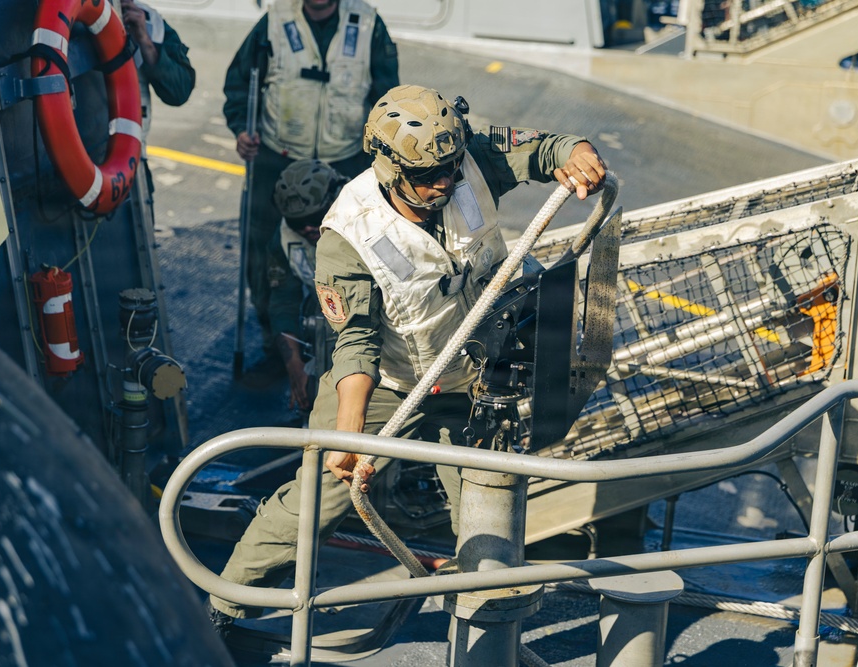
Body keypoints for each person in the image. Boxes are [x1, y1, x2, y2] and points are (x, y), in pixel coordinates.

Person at [207, 84, 607, 628]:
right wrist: (349, 437)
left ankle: (485, 635)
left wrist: (575, 152)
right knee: (310, 510)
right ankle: (222, 606)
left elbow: (543, 149)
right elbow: (355, 343)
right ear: (389, 168)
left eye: (449, 169)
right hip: (386, 388)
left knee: (486, 509)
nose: (444, 183)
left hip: (469, 380)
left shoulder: (465, 160)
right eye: (427, 177)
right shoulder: (348, 235)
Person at [222, 0, 399, 374]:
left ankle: (349, 345)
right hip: (277, 158)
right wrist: (242, 129)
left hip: (345, 162)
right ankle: (279, 347)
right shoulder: (273, 21)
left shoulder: (368, 25)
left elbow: (387, 98)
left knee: (356, 255)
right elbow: (239, 84)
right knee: (265, 253)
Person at [267, 159, 349, 411]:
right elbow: (283, 302)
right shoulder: (282, 241)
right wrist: (295, 368)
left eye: (315, 217)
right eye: (297, 223)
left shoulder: (368, 216)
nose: (308, 228)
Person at [120, 0, 196, 147]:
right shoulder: (71, 14)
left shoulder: (148, 19)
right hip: (78, 150)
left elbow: (179, 92)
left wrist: (145, 42)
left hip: (132, 151)